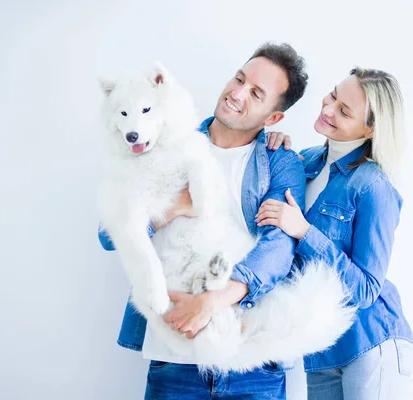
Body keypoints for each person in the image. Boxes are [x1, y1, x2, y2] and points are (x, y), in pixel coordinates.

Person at [98, 42, 308, 399]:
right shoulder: (161, 139)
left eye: (256, 93)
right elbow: (109, 233)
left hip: (252, 365)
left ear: (273, 118)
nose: (237, 93)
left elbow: (279, 249)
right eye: (239, 78)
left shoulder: (281, 161)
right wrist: (177, 207)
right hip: (174, 357)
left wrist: (212, 302)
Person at [256, 67, 413, 399]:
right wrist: (276, 148)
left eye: (344, 111)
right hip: (321, 350)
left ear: (370, 128)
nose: (327, 109)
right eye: (332, 96)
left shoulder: (372, 186)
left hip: (370, 343)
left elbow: (367, 290)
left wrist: (304, 232)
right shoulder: (308, 161)